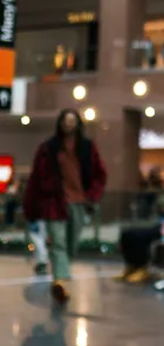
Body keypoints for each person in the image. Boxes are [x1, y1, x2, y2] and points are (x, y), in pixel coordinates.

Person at [23, 108, 108, 304]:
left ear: (78, 123)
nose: (69, 124)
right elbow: (36, 178)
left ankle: (60, 275)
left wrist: (92, 196)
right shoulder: (48, 149)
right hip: (54, 202)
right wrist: (31, 207)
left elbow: (99, 175)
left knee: (71, 244)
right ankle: (59, 281)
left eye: (72, 121)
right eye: (65, 120)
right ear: (60, 123)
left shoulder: (87, 147)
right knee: (58, 242)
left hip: (79, 202)